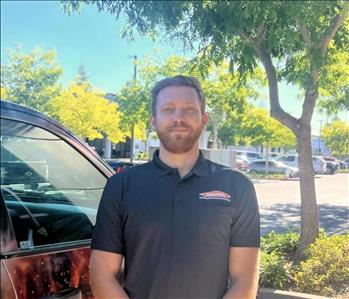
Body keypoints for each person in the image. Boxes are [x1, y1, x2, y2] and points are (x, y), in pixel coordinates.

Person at [90, 75, 260, 299]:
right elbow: (101, 275)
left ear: (204, 119)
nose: (179, 118)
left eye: (189, 109)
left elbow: (244, 280)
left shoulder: (238, 187)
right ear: (154, 120)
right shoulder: (121, 186)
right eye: (168, 109)